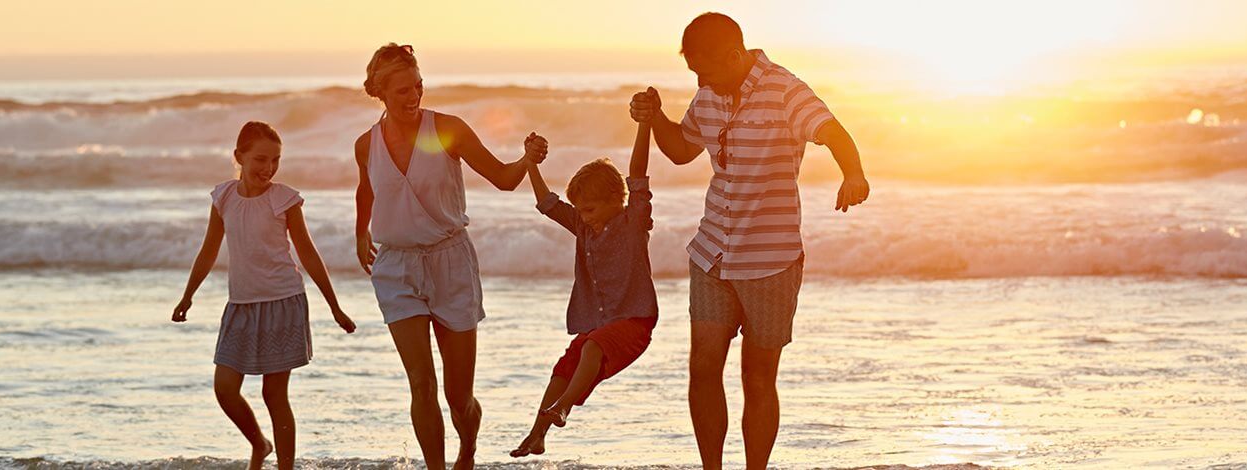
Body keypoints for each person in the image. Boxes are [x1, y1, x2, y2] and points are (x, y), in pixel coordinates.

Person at [627, 12, 871, 470]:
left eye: (706, 70)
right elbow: (681, 151)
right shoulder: (710, 93)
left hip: (771, 260)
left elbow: (832, 131)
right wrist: (656, 116)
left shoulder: (786, 90)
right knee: (702, 368)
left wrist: (853, 173)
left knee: (758, 378)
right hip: (712, 252)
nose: (700, 80)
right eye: (694, 72)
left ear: (735, 56)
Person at [352, 43, 548, 470]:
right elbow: (366, 188)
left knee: (458, 397)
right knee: (421, 384)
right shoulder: (365, 145)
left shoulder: (448, 129)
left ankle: (468, 448)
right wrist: (359, 230)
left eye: (418, 86)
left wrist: (528, 160)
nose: (413, 97)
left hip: (450, 263)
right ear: (379, 92)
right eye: (402, 90)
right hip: (397, 268)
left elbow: (502, 179)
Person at [172, 121, 358, 470]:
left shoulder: (284, 199)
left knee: (274, 394)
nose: (268, 168)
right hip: (240, 305)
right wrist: (187, 296)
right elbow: (209, 250)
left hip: (282, 303)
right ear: (239, 157)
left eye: (275, 160)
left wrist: (335, 307)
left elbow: (308, 252)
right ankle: (260, 443)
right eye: (260, 159)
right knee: (225, 388)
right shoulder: (223, 198)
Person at [509, 123, 659, 458]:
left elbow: (638, 174)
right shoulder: (582, 224)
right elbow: (548, 204)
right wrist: (530, 163)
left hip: (634, 323)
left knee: (591, 346)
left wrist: (644, 125)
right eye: (580, 210)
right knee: (564, 367)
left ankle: (562, 409)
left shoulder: (632, 221)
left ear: (615, 201)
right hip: (601, 325)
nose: (583, 217)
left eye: (589, 209)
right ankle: (536, 436)